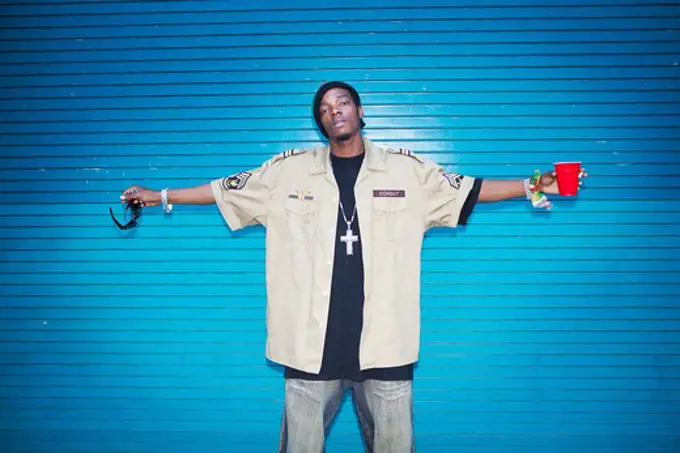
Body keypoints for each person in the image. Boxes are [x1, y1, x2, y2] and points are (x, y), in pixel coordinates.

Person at [120, 81, 586, 453]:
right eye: (323, 108)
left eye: (342, 102)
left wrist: (536, 184)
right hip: (309, 350)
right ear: (320, 123)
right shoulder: (286, 173)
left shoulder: (408, 172)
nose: (333, 111)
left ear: (361, 113)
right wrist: (160, 196)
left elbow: (470, 189)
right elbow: (223, 190)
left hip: (385, 347)